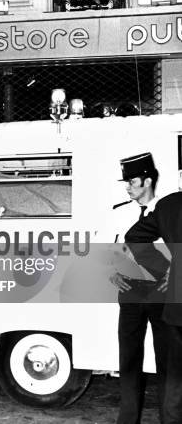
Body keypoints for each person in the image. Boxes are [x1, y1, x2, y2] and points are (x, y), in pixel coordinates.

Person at [109, 153, 168, 424]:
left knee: (168, 360)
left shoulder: (169, 210)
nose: (128, 187)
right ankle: (128, 418)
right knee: (129, 358)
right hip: (130, 291)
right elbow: (109, 251)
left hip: (163, 294)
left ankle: (170, 417)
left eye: (132, 181)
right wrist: (111, 273)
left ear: (147, 180)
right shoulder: (120, 213)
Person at [126, 189, 182, 424]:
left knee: (176, 378)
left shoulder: (170, 204)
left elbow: (134, 237)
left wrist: (169, 269)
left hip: (178, 306)